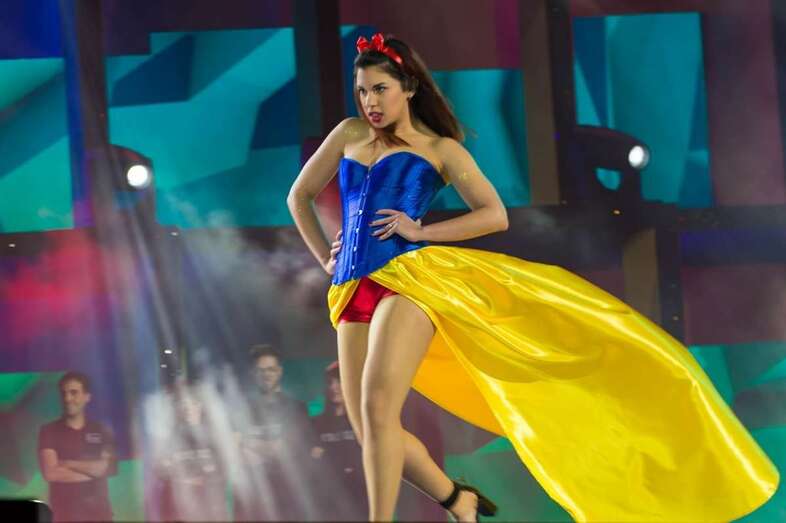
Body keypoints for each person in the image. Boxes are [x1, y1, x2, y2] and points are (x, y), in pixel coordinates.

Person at [286, 32, 780, 522]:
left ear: (409, 87)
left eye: (380, 89)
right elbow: (299, 197)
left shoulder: (441, 149)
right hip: (350, 288)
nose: (370, 102)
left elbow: (494, 215)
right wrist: (327, 258)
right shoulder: (350, 134)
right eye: (362, 91)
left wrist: (422, 231)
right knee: (368, 428)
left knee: (378, 410)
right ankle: (457, 499)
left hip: (410, 283)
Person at [233, 344, 312, 521]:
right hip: (256, 494)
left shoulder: (297, 408)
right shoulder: (243, 410)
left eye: (271, 369)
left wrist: (252, 445)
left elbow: (286, 448)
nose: (266, 374)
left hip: (291, 492)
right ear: (253, 373)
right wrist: (267, 447)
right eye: (261, 370)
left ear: (280, 371)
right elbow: (237, 446)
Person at [37, 372, 116, 522]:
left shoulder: (102, 430)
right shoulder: (48, 431)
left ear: (87, 397)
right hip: (65, 516)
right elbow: (51, 473)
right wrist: (94, 470)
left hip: (101, 516)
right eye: (64, 393)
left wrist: (67, 463)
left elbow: (108, 468)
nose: (67, 398)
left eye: (74, 393)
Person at [150, 382, 228, 522]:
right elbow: (160, 470)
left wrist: (205, 479)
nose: (188, 410)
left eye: (192, 404)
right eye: (183, 405)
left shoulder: (214, 437)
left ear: (200, 406)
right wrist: (182, 478)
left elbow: (224, 469)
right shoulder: (171, 438)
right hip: (182, 508)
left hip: (210, 506)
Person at [309, 361, 367, 520]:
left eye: (339, 381)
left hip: (360, 500)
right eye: (330, 382)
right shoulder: (316, 423)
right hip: (328, 501)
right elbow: (311, 460)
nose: (334, 387)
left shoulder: (364, 422)